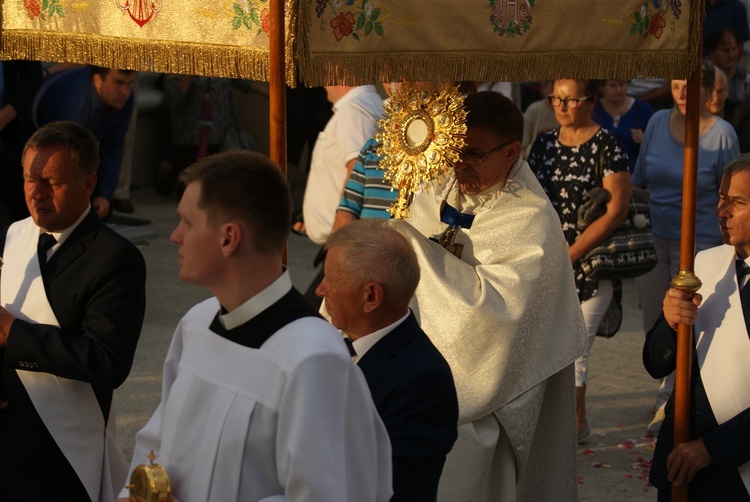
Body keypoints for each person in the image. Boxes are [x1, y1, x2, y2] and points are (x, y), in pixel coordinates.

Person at [120, 151, 392, 501]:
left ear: (229, 238)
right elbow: (157, 442)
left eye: (187, 223)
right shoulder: (196, 324)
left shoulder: (313, 359)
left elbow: (330, 494)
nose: (174, 236)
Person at [390, 91, 588, 501]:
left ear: (512, 151)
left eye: (475, 154)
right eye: (456, 151)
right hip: (426, 372)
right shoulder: (439, 188)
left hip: (495, 388)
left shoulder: (531, 217)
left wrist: (412, 248)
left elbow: (499, 315)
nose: (460, 165)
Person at [0, 121, 147, 501]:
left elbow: (107, 360)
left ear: (87, 183)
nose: (37, 193)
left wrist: (12, 333)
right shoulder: (13, 235)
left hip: (56, 452)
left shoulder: (115, 257)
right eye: (30, 179)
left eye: (53, 182)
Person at [633, 61, 741, 436]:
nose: (681, 93)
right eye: (676, 84)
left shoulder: (723, 133)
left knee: (695, 324)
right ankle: (666, 392)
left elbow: (735, 197)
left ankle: (675, 402)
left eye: (689, 85)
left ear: (708, 90)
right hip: (657, 235)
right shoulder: (656, 123)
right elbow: (641, 179)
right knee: (657, 322)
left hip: (704, 247)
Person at [317, 218, 459, 502]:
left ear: (371, 296)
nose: (320, 290)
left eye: (331, 280)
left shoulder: (424, 380)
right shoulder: (328, 344)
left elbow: (393, 488)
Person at [529, 79, 632, 442]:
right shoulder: (543, 143)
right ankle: (575, 423)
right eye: (556, 98)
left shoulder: (607, 144)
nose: (560, 105)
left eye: (569, 99)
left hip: (591, 265)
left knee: (575, 349)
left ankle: (572, 427)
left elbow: (617, 210)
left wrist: (571, 253)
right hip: (547, 263)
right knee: (548, 345)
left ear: (591, 101)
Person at [644, 153, 750, 500]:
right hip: (681, 461)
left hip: (735, 472)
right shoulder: (703, 265)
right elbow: (655, 362)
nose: (722, 212)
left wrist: (713, 448)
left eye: (738, 202)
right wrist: (672, 324)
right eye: (721, 198)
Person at [30, 66, 137, 219]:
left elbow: (113, 149)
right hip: (31, 133)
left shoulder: (124, 98)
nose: (125, 92)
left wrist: (104, 195)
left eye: (130, 84)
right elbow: (60, 164)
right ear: (97, 79)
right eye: (118, 83)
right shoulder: (73, 105)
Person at [0, 60, 43, 224]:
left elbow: (33, 76)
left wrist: (10, 111)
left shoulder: (15, 34)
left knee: (19, 214)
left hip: (10, 134)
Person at [593, 79, 655, 171]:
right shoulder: (593, 110)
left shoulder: (643, 109)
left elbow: (659, 146)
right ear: (602, 87)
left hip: (634, 176)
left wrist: (645, 139)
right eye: (613, 85)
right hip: (599, 174)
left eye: (622, 84)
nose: (618, 90)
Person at [707, 66, 750, 153]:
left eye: (720, 91)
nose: (715, 98)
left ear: (727, 93)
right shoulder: (692, 118)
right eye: (710, 91)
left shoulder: (742, 115)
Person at [707, 28, 750, 103]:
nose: (731, 55)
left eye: (734, 49)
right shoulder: (704, 76)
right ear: (712, 52)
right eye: (725, 50)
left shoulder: (746, 77)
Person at [521, 80, 559, 158]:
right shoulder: (535, 110)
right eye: (552, 83)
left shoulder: (571, 112)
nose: (556, 88)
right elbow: (520, 149)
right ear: (544, 86)